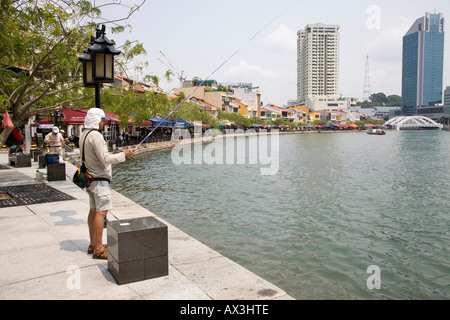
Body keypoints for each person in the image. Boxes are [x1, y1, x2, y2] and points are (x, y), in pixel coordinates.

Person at [80, 108, 136, 260]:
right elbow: (105, 159)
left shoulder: (84, 134)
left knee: (93, 210)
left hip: (90, 179)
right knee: (102, 212)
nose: (103, 122)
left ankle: (93, 244)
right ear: (96, 120)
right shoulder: (96, 136)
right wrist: (124, 154)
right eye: (102, 120)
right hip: (99, 180)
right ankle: (98, 248)